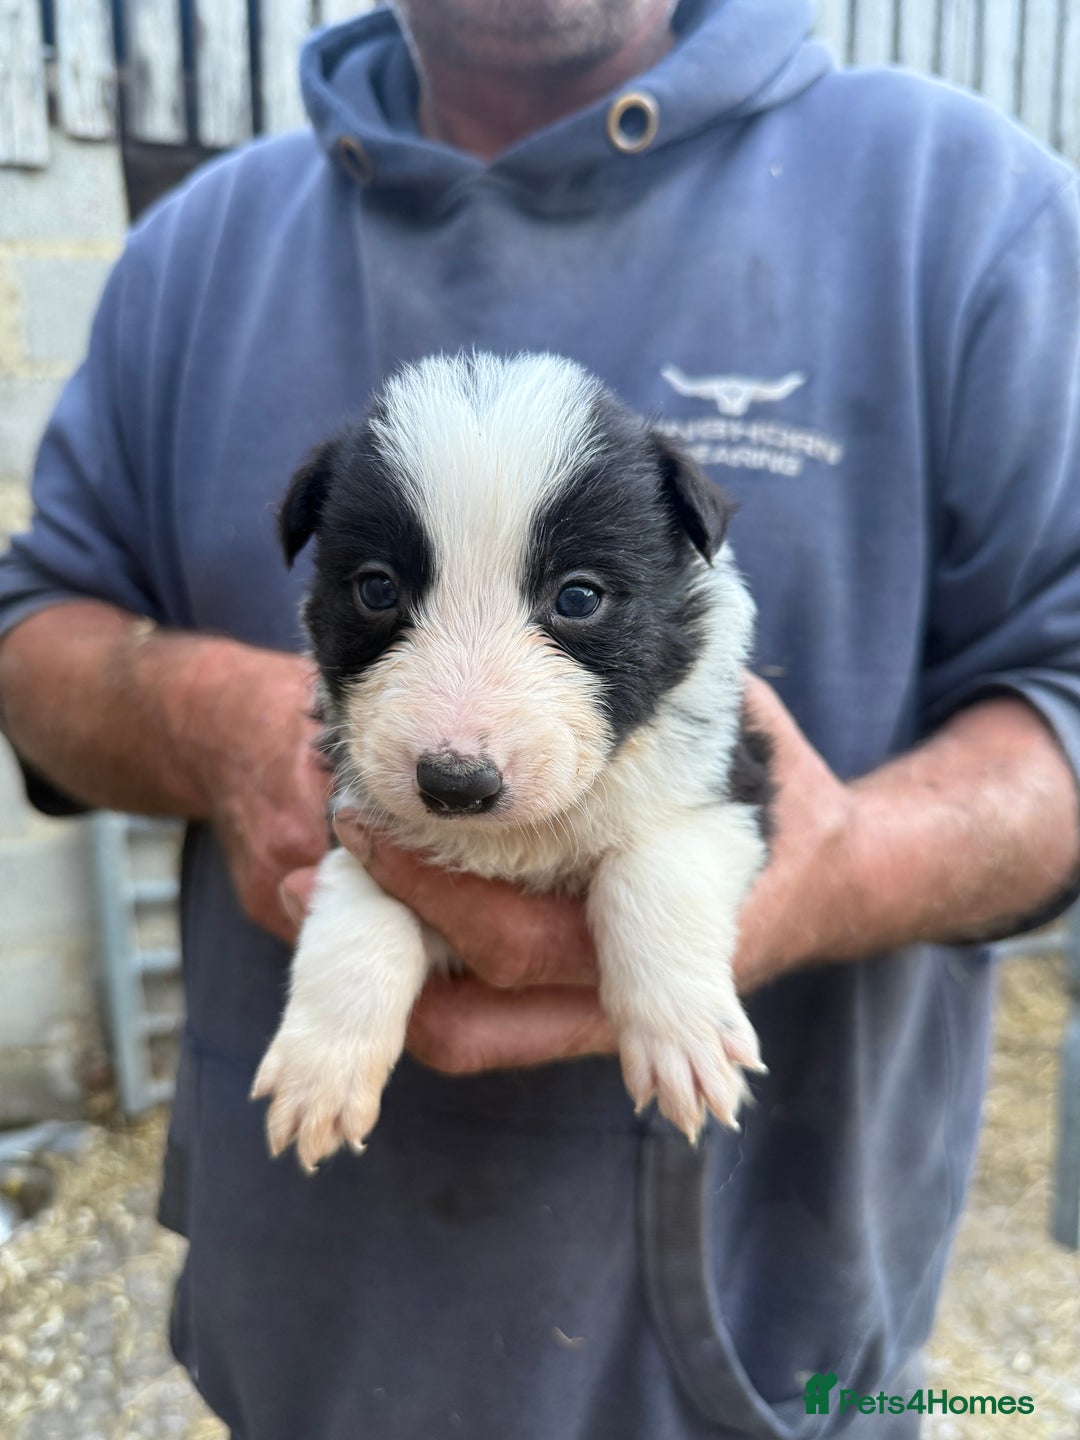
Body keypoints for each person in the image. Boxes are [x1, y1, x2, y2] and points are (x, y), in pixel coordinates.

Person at [1, 0, 1079, 1434]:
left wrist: (838, 870)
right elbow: (36, 624)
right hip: (312, 1342)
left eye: (575, 603)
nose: (459, 735)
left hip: (776, 1348)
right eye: (380, 592)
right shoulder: (196, 247)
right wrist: (208, 718)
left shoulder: (970, 205)